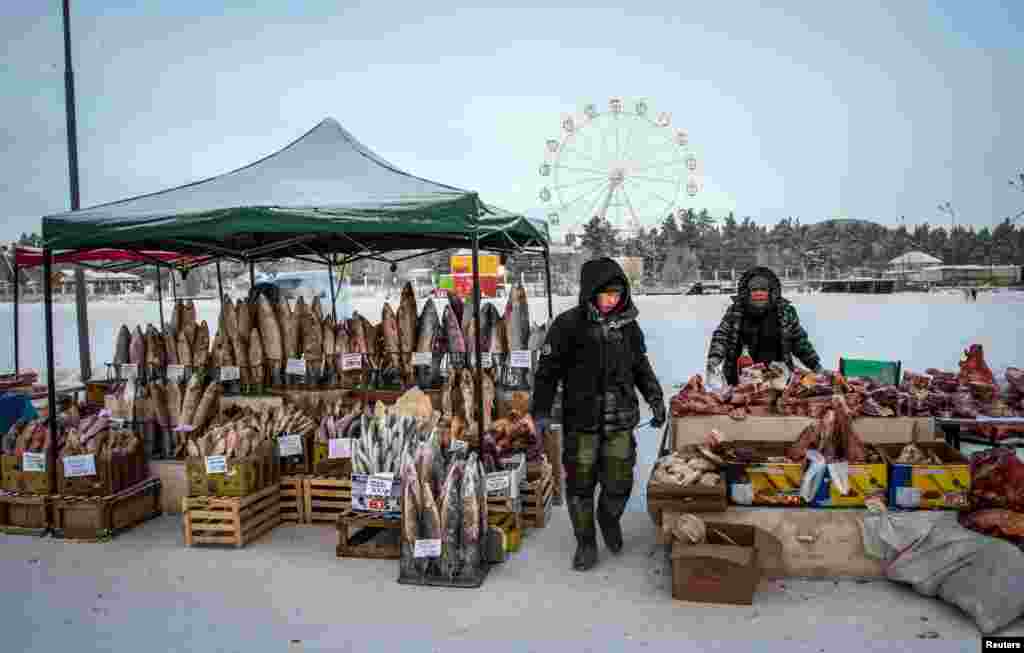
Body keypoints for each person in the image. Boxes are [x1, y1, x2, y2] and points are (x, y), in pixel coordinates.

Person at [525, 257, 666, 571]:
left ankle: (609, 517)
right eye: (606, 294)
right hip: (581, 422)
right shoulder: (568, 325)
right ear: (591, 292)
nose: (612, 300)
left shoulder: (629, 326)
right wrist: (541, 412)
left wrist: (655, 398)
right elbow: (547, 373)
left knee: (619, 480)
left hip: (620, 421)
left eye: (618, 295)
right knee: (580, 484)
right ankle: (586, 542)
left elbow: (641, 367)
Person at [706, 266, 823, 388]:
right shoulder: (735, 311)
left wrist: (815, 365)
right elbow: (721, 336)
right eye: (754, 289)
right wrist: (714, 358)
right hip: (739, 380)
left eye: (763, 289)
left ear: (771, 291)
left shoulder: (785, 312)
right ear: (747, 292)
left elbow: (799, 341)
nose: (759, 293)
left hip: (777, 379)